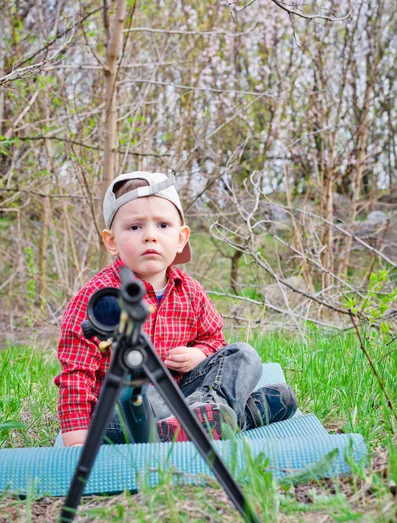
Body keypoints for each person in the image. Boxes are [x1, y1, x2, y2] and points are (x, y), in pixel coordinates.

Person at [55, 171, 297, 447]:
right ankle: (240, 417)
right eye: (135, 227)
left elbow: (214, 341)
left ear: (181, 238)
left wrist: (198, 354)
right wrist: (75, 438)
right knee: (132, 400)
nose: (150, 236)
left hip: (184, 393)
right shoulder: (99, 298)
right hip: (129, 406)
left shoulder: (190, 291)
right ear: (112, 241)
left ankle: (200, 416)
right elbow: (76, 369)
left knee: (243, 355)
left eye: (163, 225)